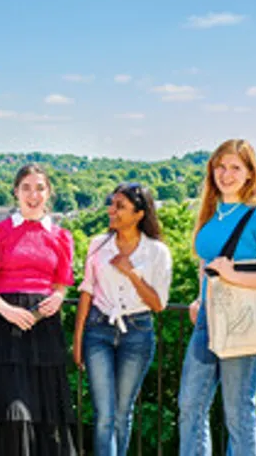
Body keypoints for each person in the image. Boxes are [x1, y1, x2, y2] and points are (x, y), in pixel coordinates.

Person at [177, 139, 256, 455]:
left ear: (249, 174)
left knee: (237, 411)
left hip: (244, 322)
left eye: (235, 167)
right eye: (220, 166)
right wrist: (200, 298)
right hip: (208, 320)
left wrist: (234, 277)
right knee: (190, 404)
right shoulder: (211, 214)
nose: (226, 174)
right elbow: (207, 263)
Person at [0, 163, 77, 456]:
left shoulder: (61, 237)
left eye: (40, 188)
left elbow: (61, 284)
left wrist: (58, 297)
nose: (33, 195)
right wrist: (7, 311)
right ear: (16, 192)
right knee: (13, 412)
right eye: (26, 188)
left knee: (47, 416)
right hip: (5, 328)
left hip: (45, 327)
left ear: (49, 193)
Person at [72, 182, 173, 456]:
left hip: (137, 333)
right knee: (103, 414)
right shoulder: (97, 245)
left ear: (139, 214)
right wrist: (78, 339)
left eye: (120, 206)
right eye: (112, 204)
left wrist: (132, 273)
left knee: (121, 412)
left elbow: (158, 304)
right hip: (98, 331)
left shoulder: (157, 252)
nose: (111, 210)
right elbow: (87, 291)